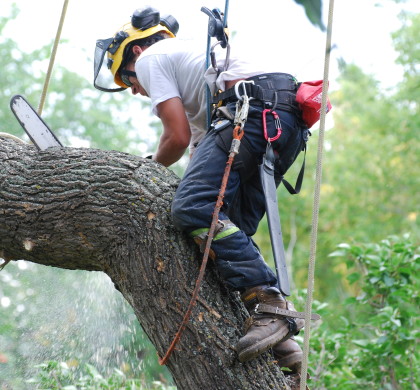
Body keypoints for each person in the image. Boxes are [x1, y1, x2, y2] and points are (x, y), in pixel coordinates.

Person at [94, 6, 309, 372]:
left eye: (129, 81)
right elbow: (196, 148)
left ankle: (270, 305)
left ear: (135, 53)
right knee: (225, 228)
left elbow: (175, 138)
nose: (136, 90)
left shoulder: (152, 59)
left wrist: (143, 171)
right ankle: (283, 346)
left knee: (192, 208)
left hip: (252, 110)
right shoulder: (196, 70)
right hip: (283, 118)